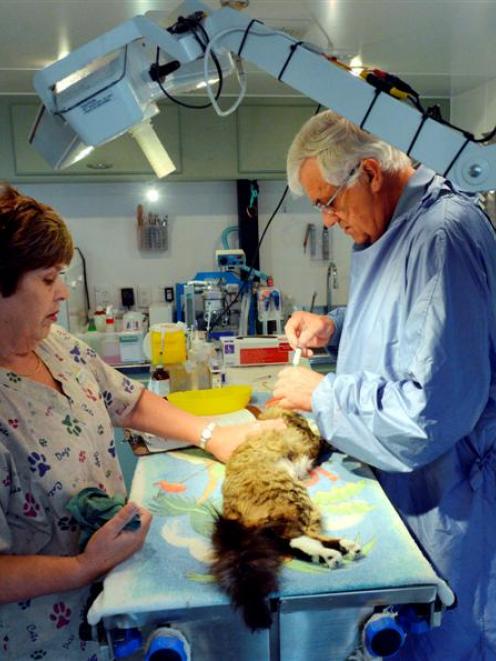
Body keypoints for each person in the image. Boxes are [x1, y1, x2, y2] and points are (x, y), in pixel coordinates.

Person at [0, 184, 283, 660]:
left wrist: (212, 435)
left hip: (116, 604)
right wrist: (80, 568)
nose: (64, 292)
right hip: (45, 638)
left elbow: (128, 402)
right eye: (48, 280)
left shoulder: (57, 347)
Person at [272, 110, 496, 660]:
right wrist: (335, 327)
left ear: (370, 172)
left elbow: (429, 415)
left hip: (452, 496)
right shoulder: (397, 226)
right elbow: (412, 326)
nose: (327, 220)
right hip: (412, 487)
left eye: (328, 201)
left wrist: (320, 396)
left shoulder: (441, 236)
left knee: (447, 636)